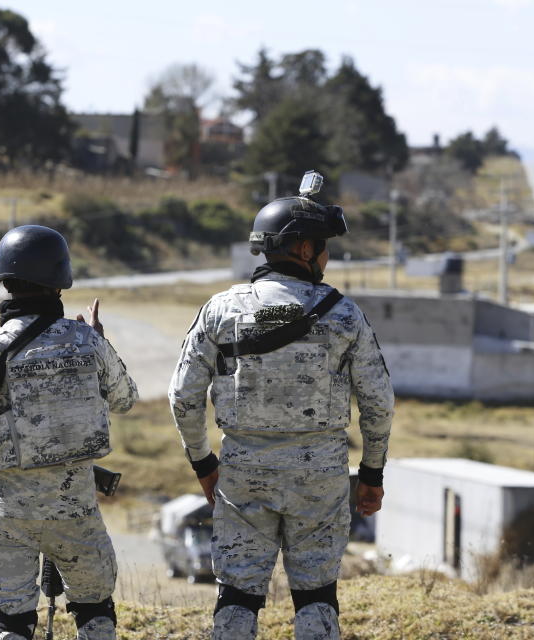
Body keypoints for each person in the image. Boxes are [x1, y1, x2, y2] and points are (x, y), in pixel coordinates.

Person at [168, 171, 394, 640]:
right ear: (305, 250)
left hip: (242, 472)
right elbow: (378, 402)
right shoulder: (345, 314)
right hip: (321, 476)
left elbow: (183, 397)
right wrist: (371, 474)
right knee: (315, 597)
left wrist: (204, 464)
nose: (327, 257)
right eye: (324, 246)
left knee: (237, 597)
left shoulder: (220, 310)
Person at [0, 225, 138, 640]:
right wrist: (100, 342)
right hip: (76, 513)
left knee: (10, 625)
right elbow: (126, 398)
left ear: (5, 282)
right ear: (60, 281)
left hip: (4, 513)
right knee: (96, 617)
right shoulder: (87, 342)